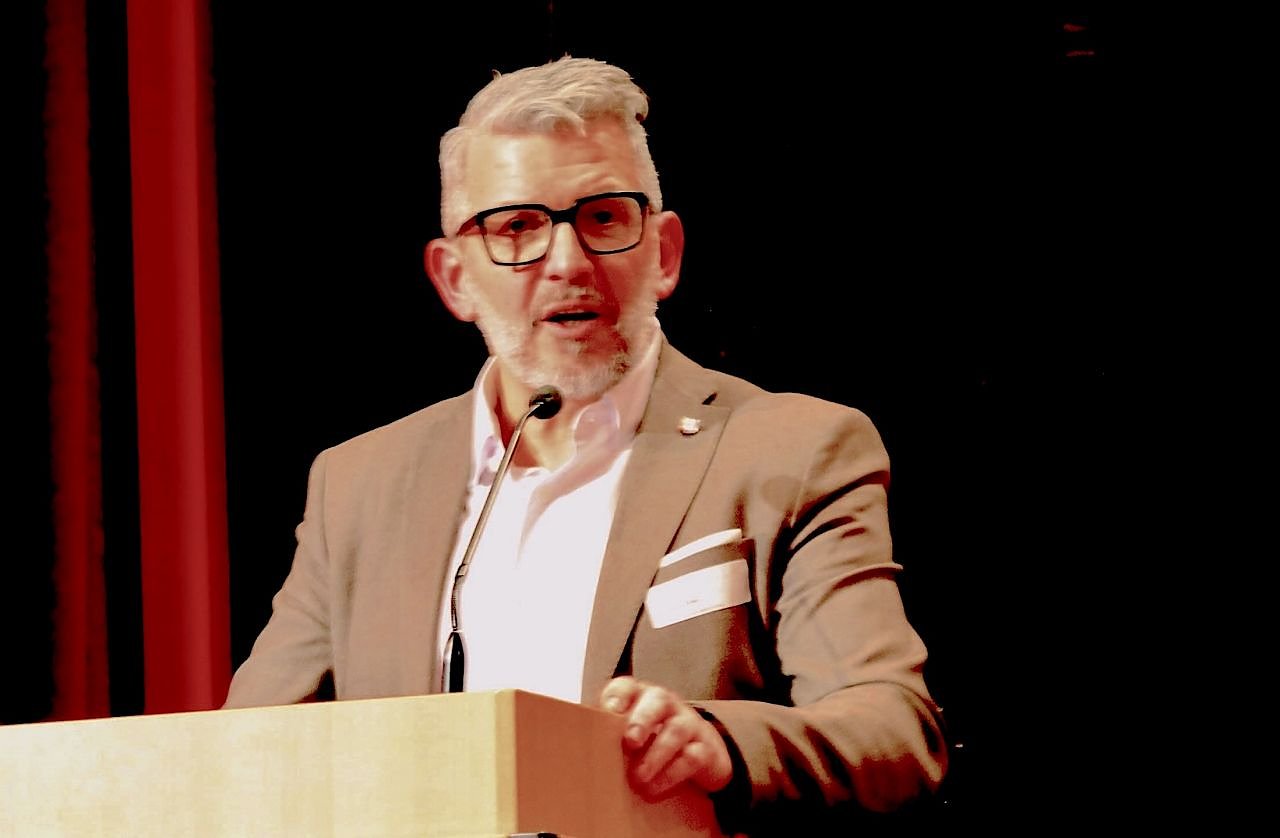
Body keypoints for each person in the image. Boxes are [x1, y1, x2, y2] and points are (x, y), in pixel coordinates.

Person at [225, 56, 947, 832]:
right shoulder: (360, 485)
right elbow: (244, 756)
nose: (568, 262)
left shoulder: (790, 453)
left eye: (603, 217)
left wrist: (717, 744)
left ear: (663, 252)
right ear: (455, 278)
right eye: (517, 228)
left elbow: (892, 732)